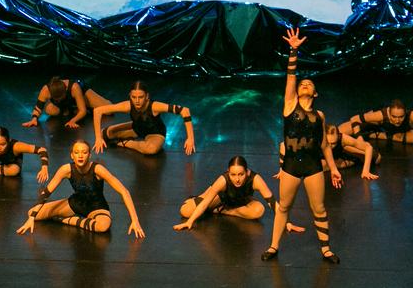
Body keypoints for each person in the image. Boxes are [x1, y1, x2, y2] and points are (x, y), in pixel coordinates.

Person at [262, 28, 342, 264]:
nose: (305, 85)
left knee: (319, 209)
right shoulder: (289, 106)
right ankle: (274, 246)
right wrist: (294, 51)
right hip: (290, 167)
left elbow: (325, 144)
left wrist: (334, 168)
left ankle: (326, 249)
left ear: (315, 93)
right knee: (284, 206)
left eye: (310, 84)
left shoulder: (320, 115)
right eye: (303, 83)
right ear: (297, 91)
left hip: (313, 167)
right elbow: (290, 77)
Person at [16, 139, 144, 237]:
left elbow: (124, 191)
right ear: (72, 155)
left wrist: (135, 220)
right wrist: (32, 218)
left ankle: (68, 221)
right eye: (77, 152)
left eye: (84, 152)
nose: (80, 156)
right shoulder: (66, 169)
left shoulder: (98, 169)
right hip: (75, 203)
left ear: (89, 155)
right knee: (32, 213)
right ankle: (69, 218)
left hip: (96, 207)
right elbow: (47, 192)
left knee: (103, 226)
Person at [174, 156, 307, 232]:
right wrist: (190, 222)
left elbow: (272, 202)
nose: (237, 179)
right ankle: (211, 205)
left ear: (247, 172)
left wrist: (286, 222)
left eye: (240, 174)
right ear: (228, 172)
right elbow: (205, 203)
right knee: (185, 211)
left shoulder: (255, 179)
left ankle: (224, 211)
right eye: (233, 175)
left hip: (239, 201)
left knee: (259, 210)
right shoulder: (223, 180)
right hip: (220, 198)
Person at [92, 81, 195, 156]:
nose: (137, 101)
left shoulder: (155, 106)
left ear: (147, 96)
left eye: (140, 97)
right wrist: (98, 138)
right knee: (103, 134)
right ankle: (119, 134)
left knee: (150, 149)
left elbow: (184, 111)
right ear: (130, 96)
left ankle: (125, 143)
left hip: (155, 133)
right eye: (133, 97)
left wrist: (190, 138)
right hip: (137, 128)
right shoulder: (128, 105)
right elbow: (97, 111)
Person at [339, 99, 413, 150]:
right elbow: (355, 118)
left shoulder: (411, 115)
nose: (398, 120)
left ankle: (375, 135)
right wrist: (359, 138)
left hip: (395, 133)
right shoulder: (381, 115)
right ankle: (371, 133)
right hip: (376, 125)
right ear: (389, 113)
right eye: (394, 117)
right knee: (341, 130)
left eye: (401, 117)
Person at [22, 77, 111, 129]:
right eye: (56, 99)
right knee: (49, 109)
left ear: (65, 91)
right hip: (67, 104)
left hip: (82, 94)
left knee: (108, 110)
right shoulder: (46, 90)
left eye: (60, 99)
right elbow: (38, 107)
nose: (58, 101)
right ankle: (70, 109)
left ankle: (85, 106)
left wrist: (72, 121)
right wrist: (34, 118)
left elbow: (82, 111)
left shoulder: (74, 87)